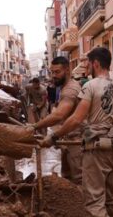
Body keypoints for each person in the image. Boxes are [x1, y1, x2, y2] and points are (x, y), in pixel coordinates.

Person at [39, 47, 113, 217]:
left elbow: (74, 120)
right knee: (111, 195)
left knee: (94, 197)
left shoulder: (90, 87)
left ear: (95, 64)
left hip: (96, 149)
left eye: (88, 64)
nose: (87, 68)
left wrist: (53, 137)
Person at [30, 56, 83, 184]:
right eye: (52, 72)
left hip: (77, 141)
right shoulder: (63, 88)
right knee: (67, 177)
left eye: (57, 72)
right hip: (68, 138)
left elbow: (59, 115)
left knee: (79, 178)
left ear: (67, 70)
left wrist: (34, 126)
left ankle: (83, 203)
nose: (54, 75)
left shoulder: (71, 89)